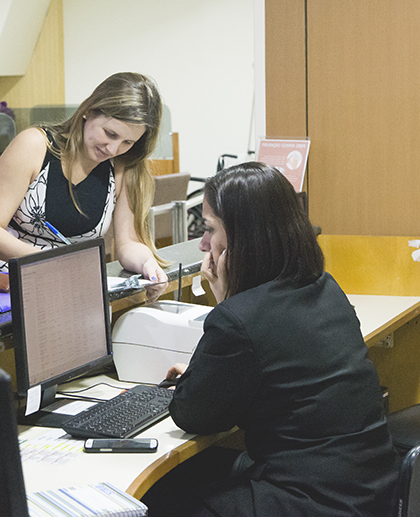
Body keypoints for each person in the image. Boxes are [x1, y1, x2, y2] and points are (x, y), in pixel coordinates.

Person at [147, 162, 399, 517]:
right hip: (370, 490)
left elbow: (192, 415)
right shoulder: (325, 288)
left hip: (310, 502)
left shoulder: (239, 319)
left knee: (158, 498)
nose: (202, 244)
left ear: (242, 237)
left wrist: (227, 304)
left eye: (209, 230)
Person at [0, 72, 168, 288]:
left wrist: (147, 263)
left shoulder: (123, 166)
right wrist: (53, 261)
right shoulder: (34, 146)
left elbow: (127, 242)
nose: (113, 149)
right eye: (110, 133)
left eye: (127, 142)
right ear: (88, 111)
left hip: (57, 281)